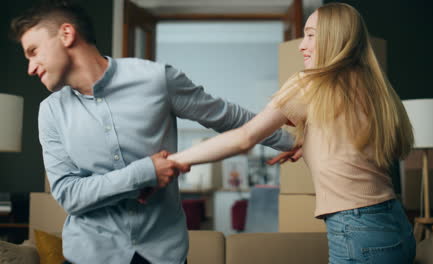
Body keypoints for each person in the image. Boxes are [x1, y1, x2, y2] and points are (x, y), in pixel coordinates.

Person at [10, 2, 294, 263]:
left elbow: (229, 118)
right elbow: (70, 195)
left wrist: (293, 142)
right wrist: (145, 172)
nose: (30, 69)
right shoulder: (51, 112)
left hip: (163, 254)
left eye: (33, 51)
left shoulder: (156, 79)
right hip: (88, 255)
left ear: (66, 34)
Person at [168, 3, 416, 263]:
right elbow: (348, 144)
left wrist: (176, 160)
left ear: (333, 37)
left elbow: (244, 138)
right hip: (395, 222)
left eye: (310, 35)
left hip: (357, 228)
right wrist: (305, 145)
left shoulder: (311, 83)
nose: (301, 45)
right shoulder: (372, 85)